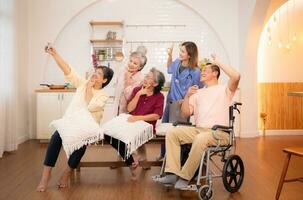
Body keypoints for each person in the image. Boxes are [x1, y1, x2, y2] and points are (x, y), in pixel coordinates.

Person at [154, 54, 240, 190]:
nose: (202, 72)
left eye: (206, 70)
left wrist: (218, 61)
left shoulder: (224, 89)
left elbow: (236, 76)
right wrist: (187, 96)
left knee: (200, 138)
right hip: (199, 130)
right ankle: (172, 173)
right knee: (173, 133)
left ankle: (184, 177)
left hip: (220, 132)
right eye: (202, 70)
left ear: (215, 73)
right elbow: (185, 113)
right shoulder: (197, 92)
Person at [36, 44, 114, 192]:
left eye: (98, 74)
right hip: (70, 123)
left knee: (81, 146)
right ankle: (45, 177)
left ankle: (66, 173)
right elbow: (67, 69)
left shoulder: (103, 95)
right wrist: (54, 54)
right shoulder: (82, 83)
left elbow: (90, 105)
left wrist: (89, 88)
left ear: (104, 80)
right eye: (95, 72)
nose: (94, 75)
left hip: (87, 127)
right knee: (56, 138)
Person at [105, 68, 165, 180]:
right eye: (146, 76)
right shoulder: (137, 89)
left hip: (146, 125)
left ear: (155, 83)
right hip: (132, 120)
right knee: (108, 132)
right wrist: (138, 94)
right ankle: (132, 157)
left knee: (124, 134)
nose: (145, 79)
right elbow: (129, 108)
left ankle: (132, 161)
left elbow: (156, 115)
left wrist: (138, 118)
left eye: (148, 77)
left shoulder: (159, 96)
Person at [157, 41, 202, 161]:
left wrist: (187, 101)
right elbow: (169, 69)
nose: (180, 53)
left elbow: (199, 89)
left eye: (183, 51)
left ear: (190, 55)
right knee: (164, 128)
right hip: (170, 101)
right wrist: (170, 56)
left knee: (177, 133)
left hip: (181, 105)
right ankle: (163, 155)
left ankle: (176, 159)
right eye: (180, 51)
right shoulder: (177, 62)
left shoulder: (196, 71)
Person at [113, 46, 147, 115]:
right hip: (117, 108)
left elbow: (129, 96)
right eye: (130, 61)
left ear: (140, 67)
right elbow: (117, 86)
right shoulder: (123, 70)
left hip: (128, 112)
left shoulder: (141, 79)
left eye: (135, 63)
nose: (131, 64)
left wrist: (127, 79)